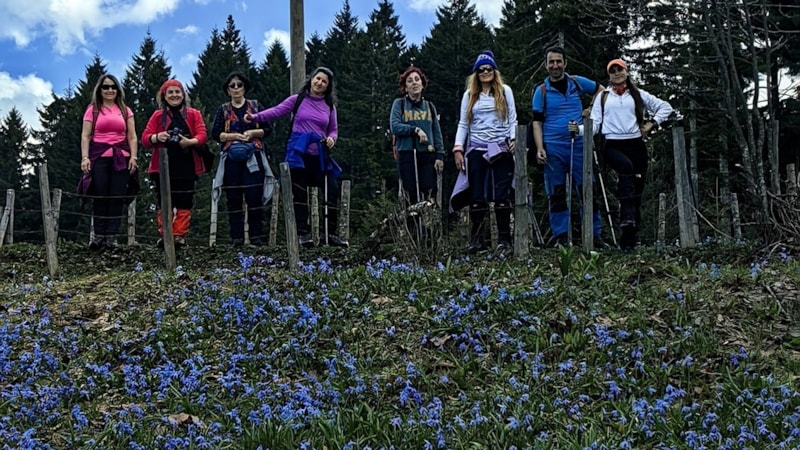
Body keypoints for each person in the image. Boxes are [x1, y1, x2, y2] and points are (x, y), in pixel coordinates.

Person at [244, 67, 347, 248]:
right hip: (298, 153)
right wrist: (254, 117)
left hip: (320, 153)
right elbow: (276, 111)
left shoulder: (330, 107)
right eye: (318, 79)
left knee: (331, 188)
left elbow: (333, 129)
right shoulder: (297, 100)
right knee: (299, 192)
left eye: (324, 81)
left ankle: (329, 234)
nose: (319, 83)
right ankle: (303, 234)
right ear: (311, 79)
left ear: (328, 87)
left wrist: (332, 139)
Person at [590, 58, 673, 252]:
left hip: (636, 143)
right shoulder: (603, 97)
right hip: (612, 143)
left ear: (626, 71)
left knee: (637, 190)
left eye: (620, 69)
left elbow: (665, 107)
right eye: (613, 71)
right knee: (625, 169)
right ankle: (626, 217)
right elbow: (594, 123)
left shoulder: (637, 95)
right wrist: (577, 130)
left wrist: (652, 123)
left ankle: (629, 241)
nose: (617, 73)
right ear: (609, 75)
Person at [532, 46, 606, 248]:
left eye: (558, 61)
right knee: (556, 194)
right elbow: (537, 122)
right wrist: (540, 147)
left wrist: (591, 108)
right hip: (553, 147)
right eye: (551, 62)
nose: (555, 65)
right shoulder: (541, 91)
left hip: (579, 145)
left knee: (587, 190)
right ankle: (561, 238)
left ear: (565, 63)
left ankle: (593, 236)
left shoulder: (577, 82)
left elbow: (601, 90)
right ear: (546, 65)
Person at [450, 50, 517, 255]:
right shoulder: (469, 95)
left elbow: (512, 119)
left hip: (501, 147)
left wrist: (514, 139)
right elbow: (463, 123)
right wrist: (458, 148)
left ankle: (504, 240)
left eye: (489, 69)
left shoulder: (505, 91)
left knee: (501, 194)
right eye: (481, 70)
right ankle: (478, 240)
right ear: (476, 73)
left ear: (494, 71)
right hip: (477, 148)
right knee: (477, 195)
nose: (485, 72)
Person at [211, 71, 275, 248]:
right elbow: (215, 134)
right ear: (228, 90)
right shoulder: (223, 110)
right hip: (231, 158)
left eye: (239, 85)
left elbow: (268, 128)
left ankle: (256, 238)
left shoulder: (255, 106)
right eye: (232, 85)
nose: (236, 88)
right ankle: (236, 239)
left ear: (245, 87)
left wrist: (252, 133)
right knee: (233, 197)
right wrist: (234, 136)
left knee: (254, 196)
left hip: (254, 156)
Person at [142, 79, 209, 248]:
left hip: (187, 165)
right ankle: (165, 234)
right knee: (164, 201)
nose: (174, 95)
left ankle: (179, 236)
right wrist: (158, 137)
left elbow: (202, 134)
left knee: (184, 201)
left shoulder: (194, 114)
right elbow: (145, 138)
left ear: (183, 94)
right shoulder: (158, 116)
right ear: (164, 96)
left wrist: (190, 141)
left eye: (177, 92)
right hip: (162, 166)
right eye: (170, 92)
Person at [79, 74, 138, 250]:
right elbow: (85, 135)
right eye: (106, 87)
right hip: (99, 157)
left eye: (113, 87)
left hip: (122, 157)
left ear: (118, 89)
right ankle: (98, 236)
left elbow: (132, 136)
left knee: (117, 197)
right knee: (100, 196)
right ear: (100, 89)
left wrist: (134, 157)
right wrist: (85, 157)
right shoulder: (93, 109)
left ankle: (111, 237)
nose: (110, 90)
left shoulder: (125, 110)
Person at [389, 66, 444, 205]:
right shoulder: (399, 104)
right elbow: (395, 126)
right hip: (407, 154)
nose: (414, 83)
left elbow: (436, 132)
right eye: (409, 81)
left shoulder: (429, 106)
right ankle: (412, 226)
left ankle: (428, 227)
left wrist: (440, 155)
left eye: (417, 79)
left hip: (427, 154)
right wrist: (415, 130)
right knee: (410, 194)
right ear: (405, 87)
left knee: (429, 194)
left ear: (422, 84)